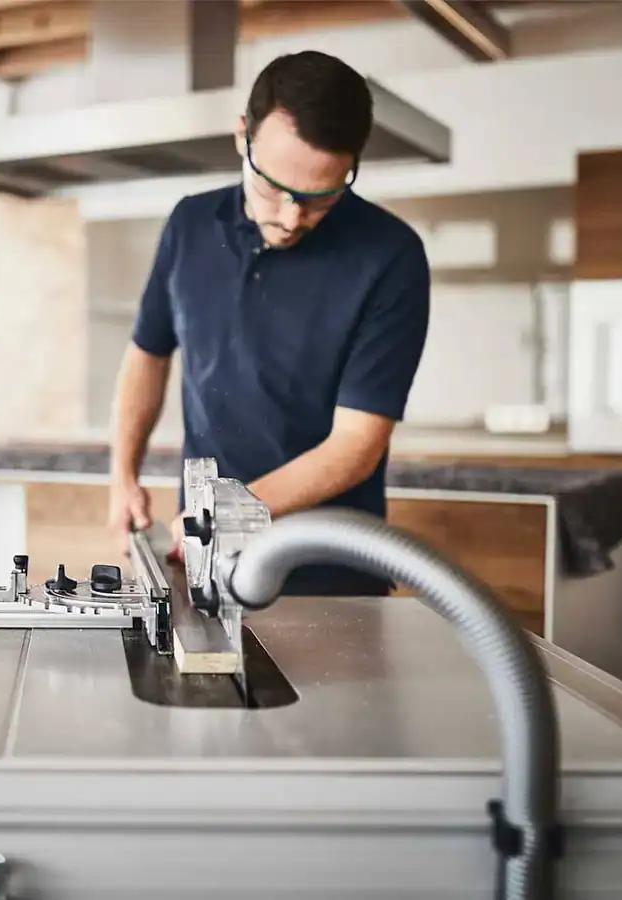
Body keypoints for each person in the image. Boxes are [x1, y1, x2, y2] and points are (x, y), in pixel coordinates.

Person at [108, 50, 430, 597]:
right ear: (243, 137)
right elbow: (148, 353)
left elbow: (356, 445)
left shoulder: (390, 256)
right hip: (206, 560)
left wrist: (225, 510)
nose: (290, 217)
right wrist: (122, 477)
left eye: (320, 197)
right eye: (272, 188)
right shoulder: (189, 225)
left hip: (330, 576)